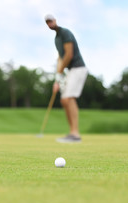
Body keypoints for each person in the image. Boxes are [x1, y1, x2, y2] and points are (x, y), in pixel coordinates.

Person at [45, 14, 88, 143]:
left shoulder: (65, 33)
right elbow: (60, 58)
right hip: (70, 71)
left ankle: (75, 134)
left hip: (78, 68)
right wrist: (57, 78)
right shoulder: (56, 39)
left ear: (55, 20)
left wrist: (60, 72)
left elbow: (69, 55)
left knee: (68, 98)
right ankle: (72, 132)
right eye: (47, 22)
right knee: (64, 100)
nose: (50, 24)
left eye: (51, 21)